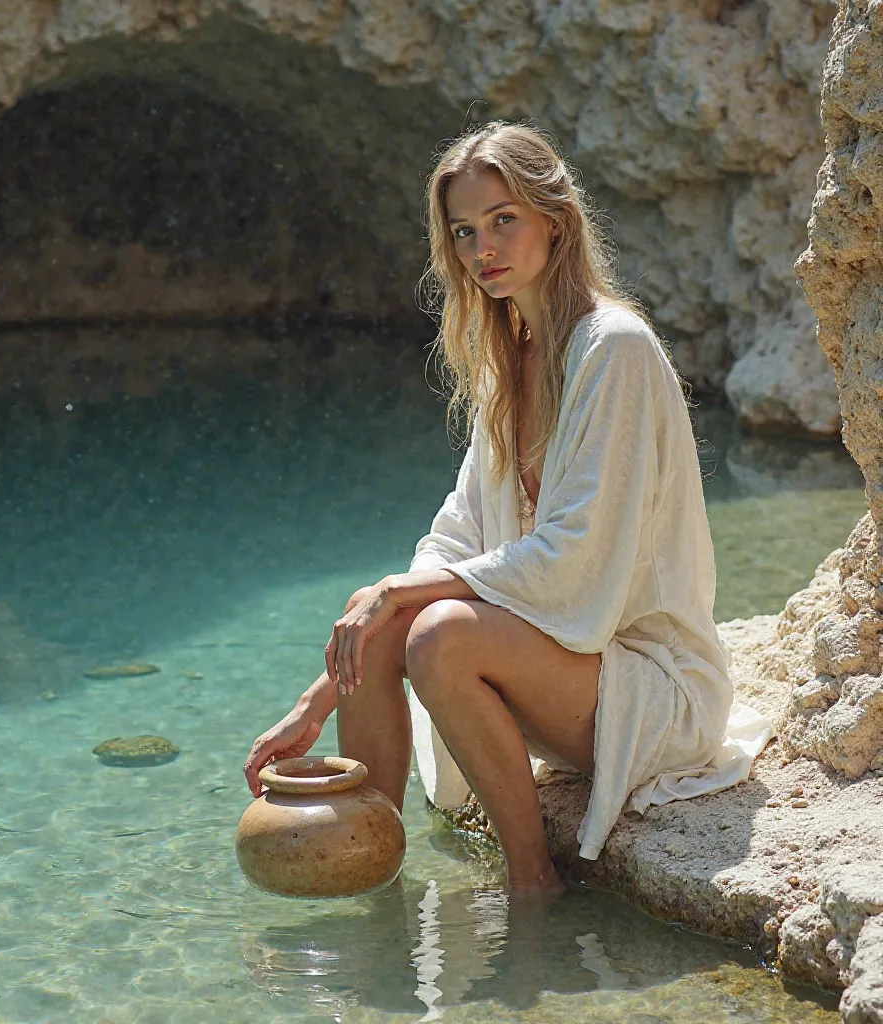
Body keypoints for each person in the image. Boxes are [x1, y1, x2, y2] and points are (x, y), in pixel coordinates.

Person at [244, 121, 766, 897]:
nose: (481, 247)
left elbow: (571, 561)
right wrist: (317, 698)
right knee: (388, 607)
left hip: (652, 686)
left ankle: (533, 887)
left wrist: (400, 598)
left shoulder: (613, 349)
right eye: (463, 231)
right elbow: (454, 532)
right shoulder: (509, 357)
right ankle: (376, 882)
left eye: (502, 220)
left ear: (554, 218)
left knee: (441, 633)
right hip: (568, 673)